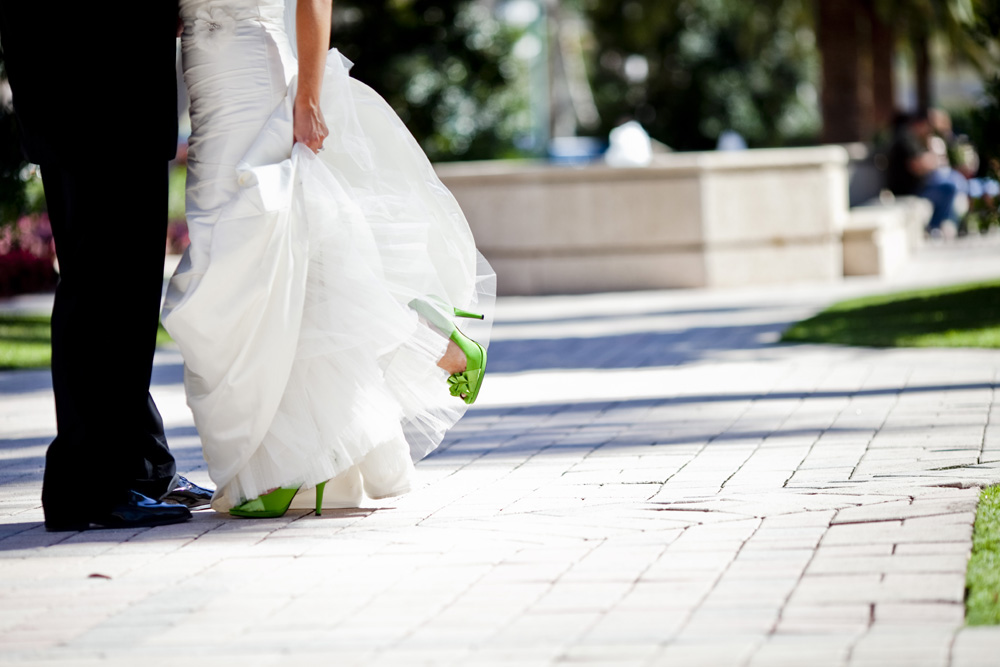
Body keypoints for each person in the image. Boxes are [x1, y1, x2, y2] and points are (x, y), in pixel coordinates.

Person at [163, 0, 495, 516]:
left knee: (257, 254)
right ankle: (300, 462)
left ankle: (284, 471)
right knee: (268, 263)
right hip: (207, 83)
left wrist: (309, 97)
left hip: (256, 72)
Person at [0, 2, 214, 530]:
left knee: (121, 293)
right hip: (94, 98)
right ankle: (87, 486)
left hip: (100, 97)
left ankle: (142, 469)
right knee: (103, 293)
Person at [886, 111, 959, 234]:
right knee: (949, 189)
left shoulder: (912, 138)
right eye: (927, 125)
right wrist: (932, 161)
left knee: (950, 184)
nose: (928, 129)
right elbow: (917, 165)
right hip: (907, 190)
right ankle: (934, 228)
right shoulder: (905, 138)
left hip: (917, 187)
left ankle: (940, 226)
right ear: (920, 123)